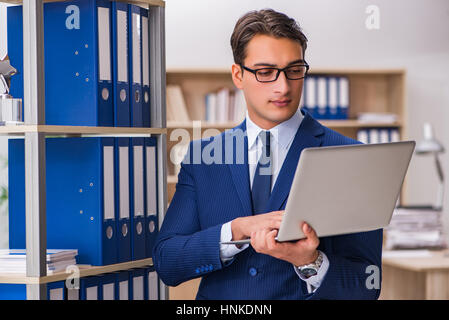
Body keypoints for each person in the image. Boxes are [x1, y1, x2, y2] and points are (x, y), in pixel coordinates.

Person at [153, 9, 383, 300]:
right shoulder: (203, 157)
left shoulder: (351, 158)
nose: (283, 86)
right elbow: (167, 262)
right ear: (238, 75)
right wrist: (235, 231)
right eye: (265, 72)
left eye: (294, 70)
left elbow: (368, 284)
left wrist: (308, 261)